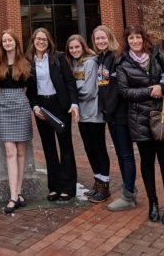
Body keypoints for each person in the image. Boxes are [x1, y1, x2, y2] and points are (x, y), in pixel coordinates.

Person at [117, 25, 164, 225]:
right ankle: (153, 203)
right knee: (147, 163)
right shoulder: (122, 63)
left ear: (143, 39)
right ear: (127, 42)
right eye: (131, 39)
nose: (135, 42)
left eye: (137, 38)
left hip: (163, 118)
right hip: (140, 121)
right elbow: (124, 92)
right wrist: (149, 91)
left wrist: (163, 87)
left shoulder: (157, 55)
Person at [26, 28, 79, 202]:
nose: (41, 42)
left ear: (49, 42)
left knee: (65, 146)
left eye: (45, 39)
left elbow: (69, 81)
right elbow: (30, 90)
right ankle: (54, 187)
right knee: (48, 148)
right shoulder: (29, 62)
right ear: (33, 41)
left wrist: (73, 103)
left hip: (59, 104)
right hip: (42, 106)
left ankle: (68, 187)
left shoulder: (58, 58)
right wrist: (34, 107)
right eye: (38, 39)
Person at [91, 25, 137, 211]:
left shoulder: (116, 59)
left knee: (126, 155)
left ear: (110, 38)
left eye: (103, 38)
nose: (100, 41)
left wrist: (108, 109)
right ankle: (129, 189)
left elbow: (117, 89)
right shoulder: (101, 59)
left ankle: (128, 196)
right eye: (97, 39)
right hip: (110, 115)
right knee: (120, 153)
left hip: (120, 114)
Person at [66, 34, 110, 203]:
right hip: (82, 115)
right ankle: (97, 183)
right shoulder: (74, 64)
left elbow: (90, 90)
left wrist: (72, 97)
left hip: (94, 113)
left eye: (77, 47)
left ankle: (104, 185)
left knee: (99, 148)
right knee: (89, 148)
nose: (74, 50)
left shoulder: (90, 62)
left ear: (83, 47)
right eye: (71, 48)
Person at [0, 29, 32, 214]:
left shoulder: (24, 62)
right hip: (4, 106)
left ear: (16, 42)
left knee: (21, 151)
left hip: (21, 105)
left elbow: (29, 87)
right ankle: (13, 195)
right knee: (10, 151)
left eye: (10, 40)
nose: (7, 43)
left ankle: (19, 191)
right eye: (4, 40)